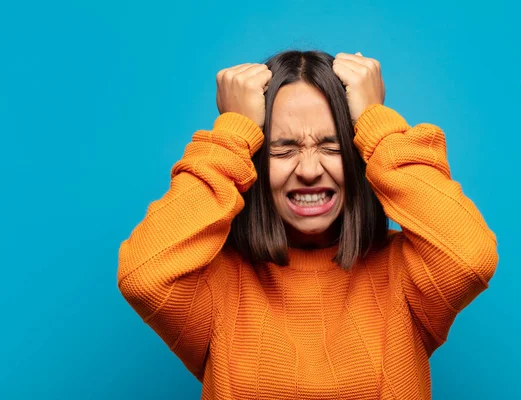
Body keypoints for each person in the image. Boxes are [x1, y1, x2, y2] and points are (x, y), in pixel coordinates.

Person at [117, 50, 499, 399]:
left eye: (332, 147)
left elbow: (472, 257)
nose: (311, 171)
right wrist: (231, 133)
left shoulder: (405, 274)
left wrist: (376, 123)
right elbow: (143, 276)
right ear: (255, 158)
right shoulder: (218, 284)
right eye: (283, 149)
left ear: (358, 154)